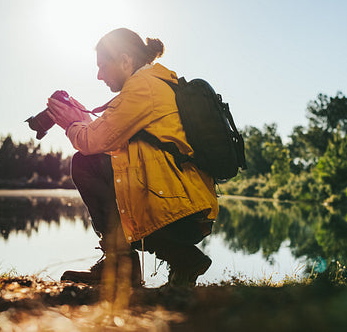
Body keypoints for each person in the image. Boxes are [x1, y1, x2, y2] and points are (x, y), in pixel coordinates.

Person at [47, 28, 219, 288]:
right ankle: (122, 264)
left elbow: (91, 142)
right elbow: (106, 138)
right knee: (94, 161)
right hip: (185, 207)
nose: (99, 75)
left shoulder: (143, 87)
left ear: (126, 61)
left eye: (103, 66)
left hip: (176, 212)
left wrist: (71, 125)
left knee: (85, 164)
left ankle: (177, 259)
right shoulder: (153, 83)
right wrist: (82, 121)